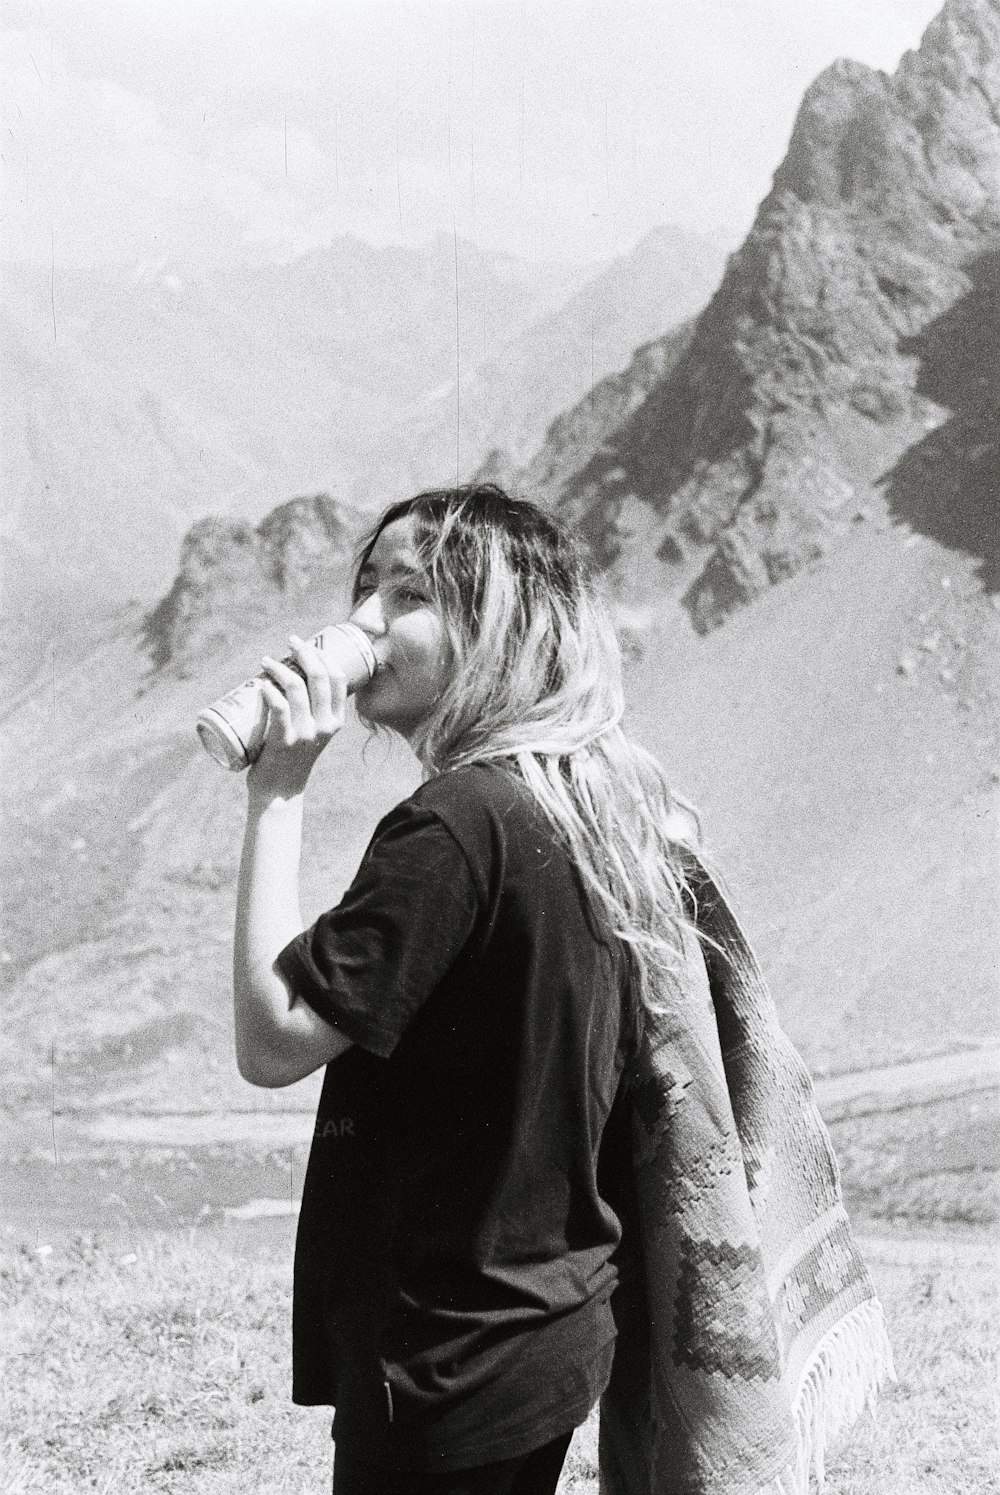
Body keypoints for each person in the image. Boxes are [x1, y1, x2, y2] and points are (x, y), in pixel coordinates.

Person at [230, 484, 705, 1495]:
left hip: (445, 1351)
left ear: (493, 629)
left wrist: (277, 791)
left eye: (405, 596)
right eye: (363, 590)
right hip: (544, 1322)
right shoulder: (584, 798)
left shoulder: (453, 825)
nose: (358, 625)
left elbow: (272, 1039)